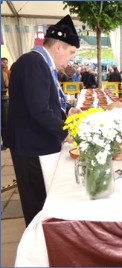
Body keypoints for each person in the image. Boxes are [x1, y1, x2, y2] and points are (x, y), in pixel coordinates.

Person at [4, 15, 81, 227]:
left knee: (41, 198)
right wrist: (65, 133)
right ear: (58, 47)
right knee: (36, 202)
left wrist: (67, 111)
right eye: (71, 52)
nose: (70, 59)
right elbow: (39, 109)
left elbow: (46, 101)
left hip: (35, 144)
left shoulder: (40, 62)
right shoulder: (33, 63)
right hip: (31, 148)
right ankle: (37, 245)